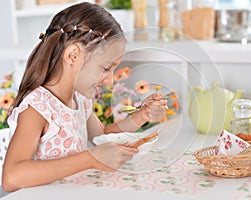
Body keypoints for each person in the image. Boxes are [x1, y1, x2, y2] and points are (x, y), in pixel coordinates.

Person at [2, 2, 167, 192]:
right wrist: (90, 159)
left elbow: (103, 136)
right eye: (106, 68)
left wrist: (142, 116)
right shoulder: (37, 108)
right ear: (73, 56)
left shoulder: (80, 100)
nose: (110, 80)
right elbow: (11, 177)